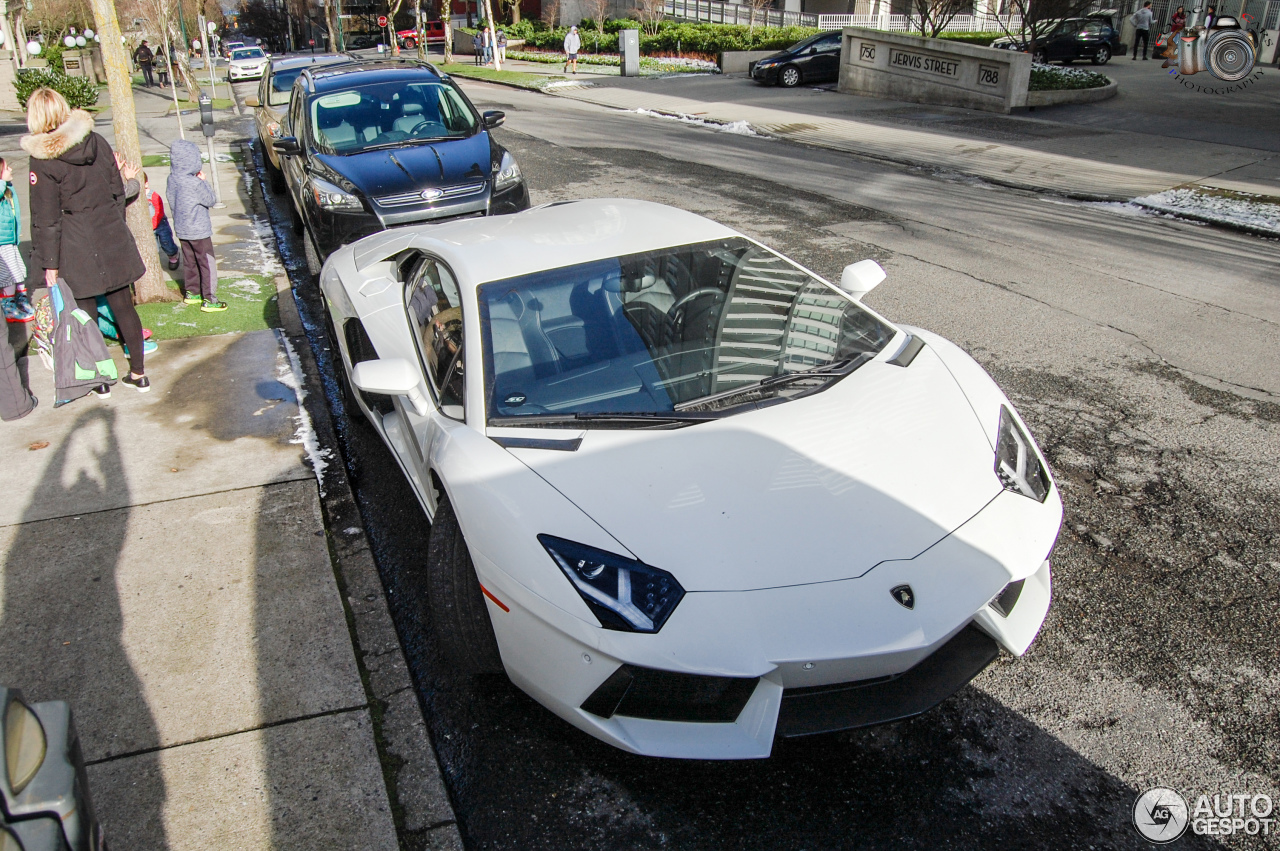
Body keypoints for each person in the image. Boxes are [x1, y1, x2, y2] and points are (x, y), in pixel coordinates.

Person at [22, 87, 151, 392]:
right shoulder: (94, 139)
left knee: (84, 312)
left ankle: (100, 379)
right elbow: (117, 189)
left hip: (76, 241)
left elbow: (46, 218)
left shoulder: (43, 160)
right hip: (109, 232)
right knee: (123, 305)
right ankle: (138, 373)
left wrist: (48, 264)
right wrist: (114, 224)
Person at [167, 140, 226, 313]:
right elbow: (211, 200)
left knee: (190, 261)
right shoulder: (195, 183)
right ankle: (209, 299)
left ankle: (192, 292)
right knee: (207, 262)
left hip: (182, 228)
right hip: (199, 230)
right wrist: (204, 182)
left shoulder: (172, 179)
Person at [0, 159, 34, 324]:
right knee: (9, 275)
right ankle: (9, 306)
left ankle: (21, 298)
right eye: (7, 168)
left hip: (10, 240)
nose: (11, 169)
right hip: (2, 243)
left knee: (19, 270)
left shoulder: (6, 189)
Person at [144, 172, 180, 272]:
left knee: (166, 242)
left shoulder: (154, 196)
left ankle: (173, 255)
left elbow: (158, 212)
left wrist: (154, 224)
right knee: (154, 247)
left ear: (146, 184)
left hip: (160, 224)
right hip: (149, 226)